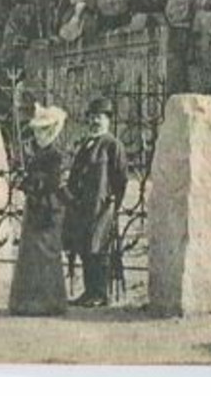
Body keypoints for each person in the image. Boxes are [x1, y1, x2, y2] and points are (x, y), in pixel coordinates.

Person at [64, 97, 128, 308]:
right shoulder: (86, 144)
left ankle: (101, 293)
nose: (94, 121)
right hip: (82, 205)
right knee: (84, 247)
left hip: (101, 206)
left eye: (99, 117)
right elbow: (76, 174)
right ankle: (89, 291)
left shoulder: (112, 145)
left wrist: (112, 202)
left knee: (99, 248)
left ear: (108, 120)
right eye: (92, 117)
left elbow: (121, 178)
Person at [9, 106, 69, 316]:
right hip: (35, 205)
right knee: (31, 253)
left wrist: (32, 183)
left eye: (43, 130)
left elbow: (53, 181)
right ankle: (29, 300)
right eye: (36, 131)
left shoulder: (56, 155)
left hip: (48, 207)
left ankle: (49, 301)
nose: (38, 135)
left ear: (52, 130)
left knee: (46, 253)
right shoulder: (38, 153)